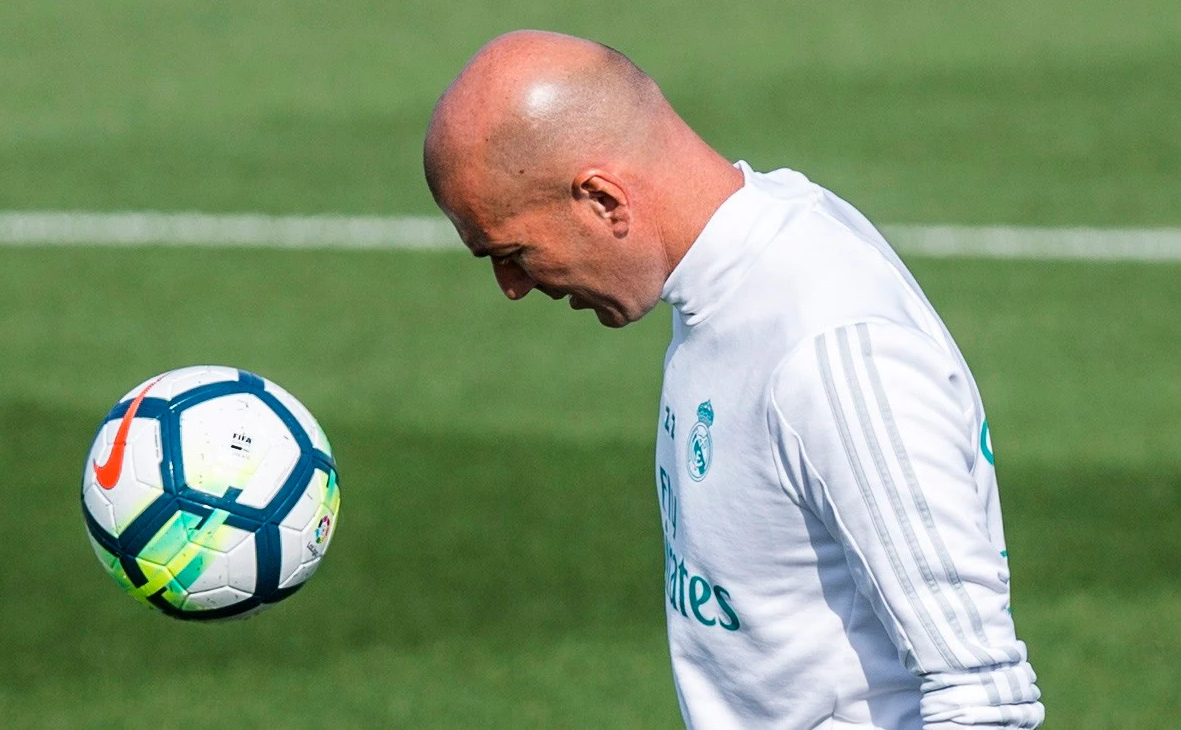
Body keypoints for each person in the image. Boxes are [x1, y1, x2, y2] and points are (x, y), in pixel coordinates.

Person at [423, 30, 1044, 730]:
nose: (511, 287)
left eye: (511, 253)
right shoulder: (727, 282)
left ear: (602, 199)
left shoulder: (830, 348)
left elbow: (983, 697)